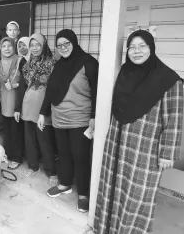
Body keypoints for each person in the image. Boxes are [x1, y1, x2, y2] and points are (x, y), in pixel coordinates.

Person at [94, 30, 183, 234]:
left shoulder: (169, 80)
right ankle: (107, 228)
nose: (136, 51)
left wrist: (167, 153)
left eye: (142, 46)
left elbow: (175, 118)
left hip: (145, 149)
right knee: (113, 186)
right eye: (132, 47)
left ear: (151, 48)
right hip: (117, 143)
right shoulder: (125, 71)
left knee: (137, 194)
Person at [39, 29, 99, 213]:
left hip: (80, 120)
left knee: (80, 157)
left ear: (74, 42)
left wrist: (94, 117)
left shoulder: (88, 63)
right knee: (63, 154)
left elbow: (98, 91)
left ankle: (83, 194)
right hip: (59, 118)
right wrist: (42, 113)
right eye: (59, 45)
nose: (63, 48)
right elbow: (50, 91)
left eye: (66, 44)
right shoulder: (58, 65)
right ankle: (64, 184)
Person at [16, 33, 57, 182]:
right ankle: (33, 166)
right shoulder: (27, 65)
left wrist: (45, 110)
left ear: (44, 45)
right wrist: (18, 107)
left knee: (45, 140)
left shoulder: (52, 63)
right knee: (30, 139)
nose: (34, 48)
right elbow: (22, 88)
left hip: (43, 107)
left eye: (37, 45)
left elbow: (53, 89)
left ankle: (52, 171)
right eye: (32, 45)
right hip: (28, 105)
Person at [0, 37, 25, 170]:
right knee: (7, 130)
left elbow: (26, 82)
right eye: (4, 46)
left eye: (10, 46)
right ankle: (7, 154)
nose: (7, 48)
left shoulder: (20, 61)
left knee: (16, 130)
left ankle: (17, 157)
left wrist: (15, 84)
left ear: (14, 47)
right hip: (4, 100)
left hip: (16, 100)